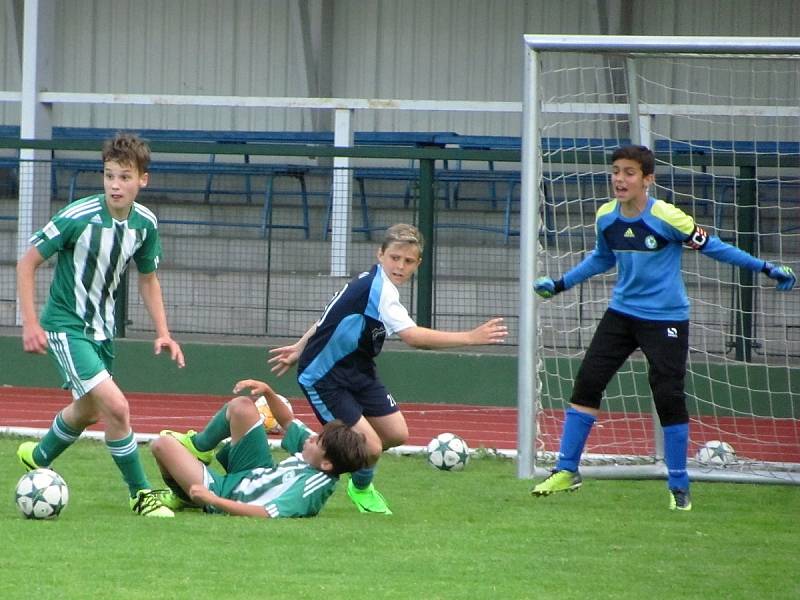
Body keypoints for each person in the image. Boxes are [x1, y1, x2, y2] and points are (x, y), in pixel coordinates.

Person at [530, 144, 796, 511]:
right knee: (588, 382)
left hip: (666, 318)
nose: (620, 179)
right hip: (621, 314)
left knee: (667, 394)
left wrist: (765, 268)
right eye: (616, 171)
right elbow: (601, 258)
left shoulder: (668, 218)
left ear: (647, 180)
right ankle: (566, 470)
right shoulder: (606, 217)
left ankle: (678, 485)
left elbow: (716, 247)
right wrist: (561, 283)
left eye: (629, 173)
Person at [268, 223, 509, 515]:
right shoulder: (375, 288)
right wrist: (470, 338)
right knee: (366, 447)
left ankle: (341, 462)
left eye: (408, 261)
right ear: (380, 254)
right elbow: (413, 337)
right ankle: (345, 484)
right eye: (395, 258)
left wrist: (299, 346)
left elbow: (327, 317)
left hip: (359, 369)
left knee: (395, 434)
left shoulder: (374, 285)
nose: (400, 266)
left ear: (417, 263)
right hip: (324, 377)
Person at [16, 132, 185, 517]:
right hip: (64, 325)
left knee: (90, 410)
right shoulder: (77, 217)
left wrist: (163, 331)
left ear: (143, 179)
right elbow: (26, 264)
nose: (115, 184)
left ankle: (39, 455)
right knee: (116, 406)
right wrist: (29, 323)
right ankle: (140, 495)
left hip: (101, 331)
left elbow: (148, 278)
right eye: (109, 175)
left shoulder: (145, 224)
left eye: (125, 177)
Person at [152, 378, 369, 518]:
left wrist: (214, 500)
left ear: (327, 463)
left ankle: (183, 496)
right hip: (254, 470)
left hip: (226, 494)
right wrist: (268, 391)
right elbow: (287, 421)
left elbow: (267, 513)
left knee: (162, 444)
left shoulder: (313, 485)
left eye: (317, 441)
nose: (311, 438)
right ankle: (200, 447)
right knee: (242, 406)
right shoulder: (317, 455)